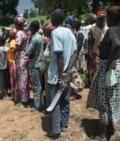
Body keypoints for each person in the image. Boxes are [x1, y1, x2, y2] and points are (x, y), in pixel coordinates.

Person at [86, 6, 120, 141]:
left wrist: (110, 61)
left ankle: (102, 134)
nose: (106, 20)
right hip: (119, 68)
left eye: (107, 17)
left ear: (112, 18)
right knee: (113, 98)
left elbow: (116, 44)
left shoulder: (112, 31)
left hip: (109, 69)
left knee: (104, 100)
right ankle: (109, 126)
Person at [45, 9, 77, 138]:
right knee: (65, 100)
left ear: (53, 18)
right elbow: (75, 53)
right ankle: (63, 125)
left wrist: (60, 76)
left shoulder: (55, 33)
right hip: (66, 73)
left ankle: (56, 130)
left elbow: (59, 57)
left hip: (55, 75)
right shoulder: (69, 32)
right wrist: (67, 71)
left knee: (55, 102)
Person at [25, 20, 45, 112]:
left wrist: (29, 53)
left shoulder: (34, 38)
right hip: (41, 63)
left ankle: (37, 106)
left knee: (36, 86)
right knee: (40, 85)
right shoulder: (41, 37)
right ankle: (41, 102)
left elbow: (28, 52)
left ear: (33, 28)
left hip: (35, 64)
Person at [13, 15, 30, 105]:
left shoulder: (19, 33)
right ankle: (25, 97)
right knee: (25, 78)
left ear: (17, 24)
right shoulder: (25, 32)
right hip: (25, 57)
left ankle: (22, 98)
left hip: (20, 58)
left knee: (21, 78)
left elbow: (17, 45)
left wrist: (12, 50)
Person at [88, 10, 109, 83]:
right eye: (100, 18)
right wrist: (89, 50)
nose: (101, 20)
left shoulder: (108, 26)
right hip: (95, 50)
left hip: (106, 50)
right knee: (94, 66)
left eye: (103, 18)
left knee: (104, 66)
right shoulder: (93, 27)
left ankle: (103, 81)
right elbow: (91, 40)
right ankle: (94, 82)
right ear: (97, 18)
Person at [7, 28, 17, 98]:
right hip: (12, 62)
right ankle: (14, 94)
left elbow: (14, 51)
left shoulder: (12, 42)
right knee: (13, 79)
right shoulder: (12, 41)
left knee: (13, 79)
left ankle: (14, 94)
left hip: (12, 62)